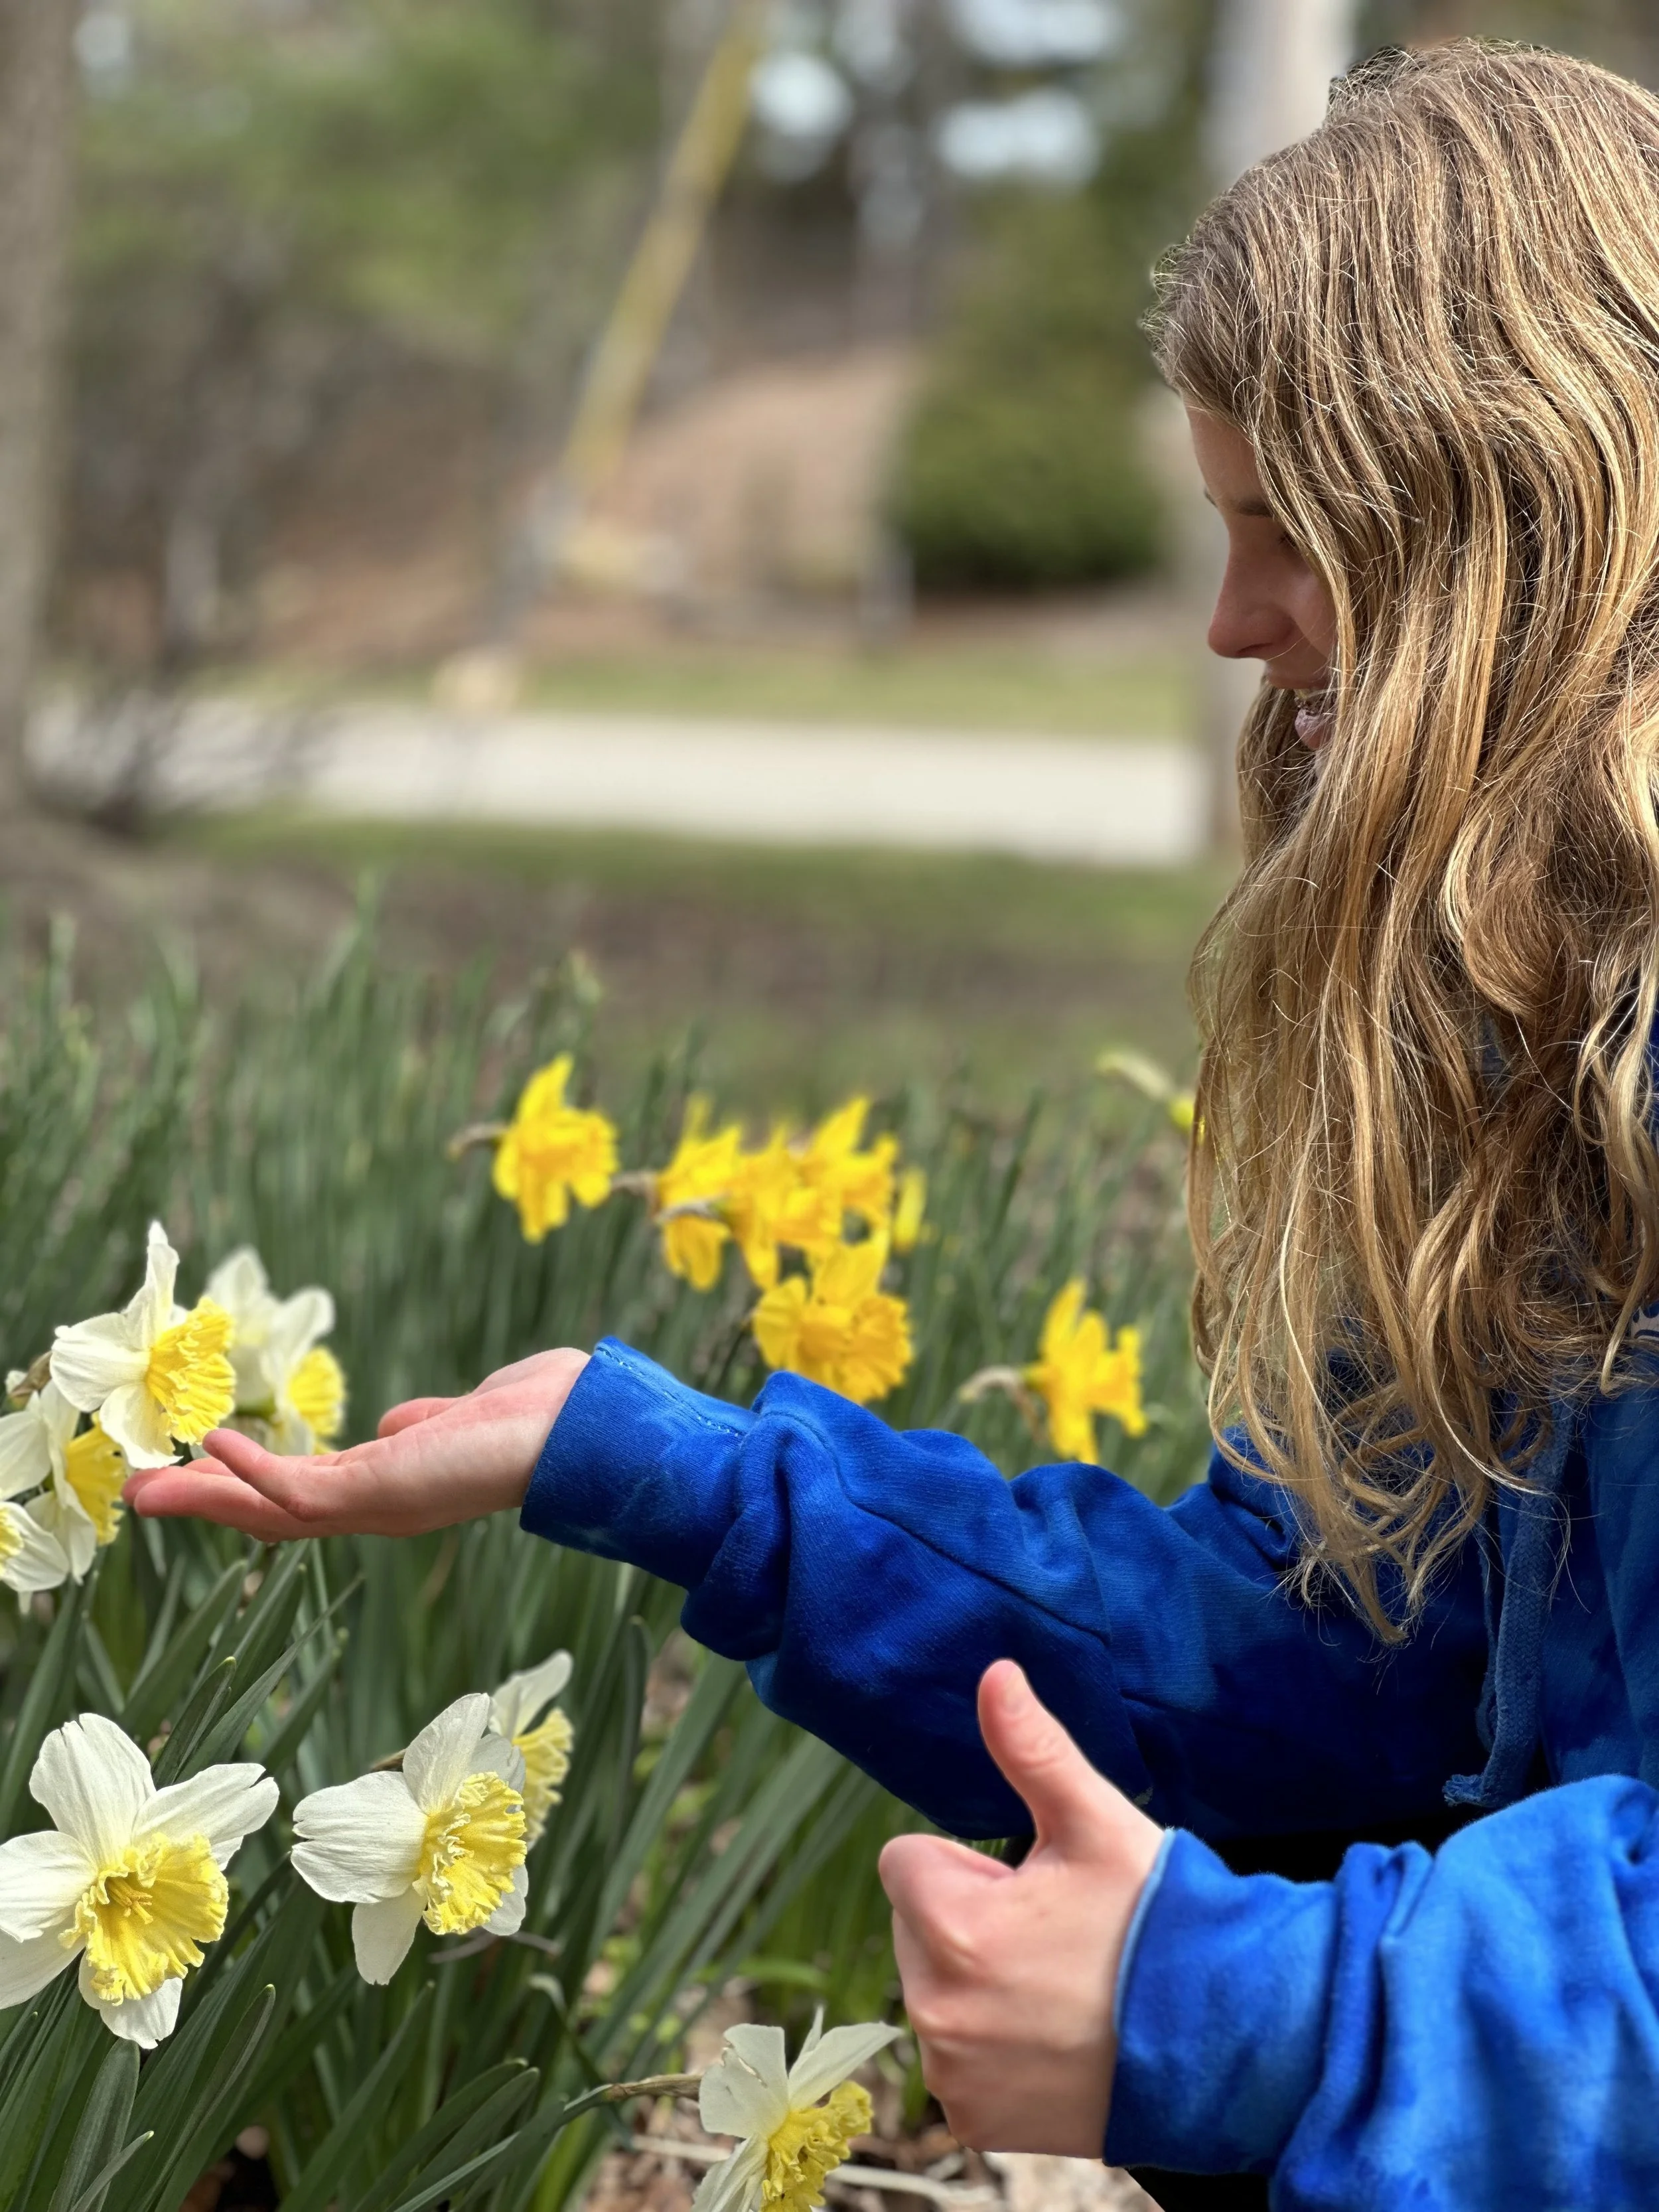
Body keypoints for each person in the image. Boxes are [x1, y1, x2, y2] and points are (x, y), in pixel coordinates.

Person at [124, 41, 1659, 2210]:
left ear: (1501, 516)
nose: (1232, 627)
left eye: (1279, 539)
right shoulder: (1531, 1030)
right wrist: (685, 1473)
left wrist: (1233, 2012)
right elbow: (1330, 1671)